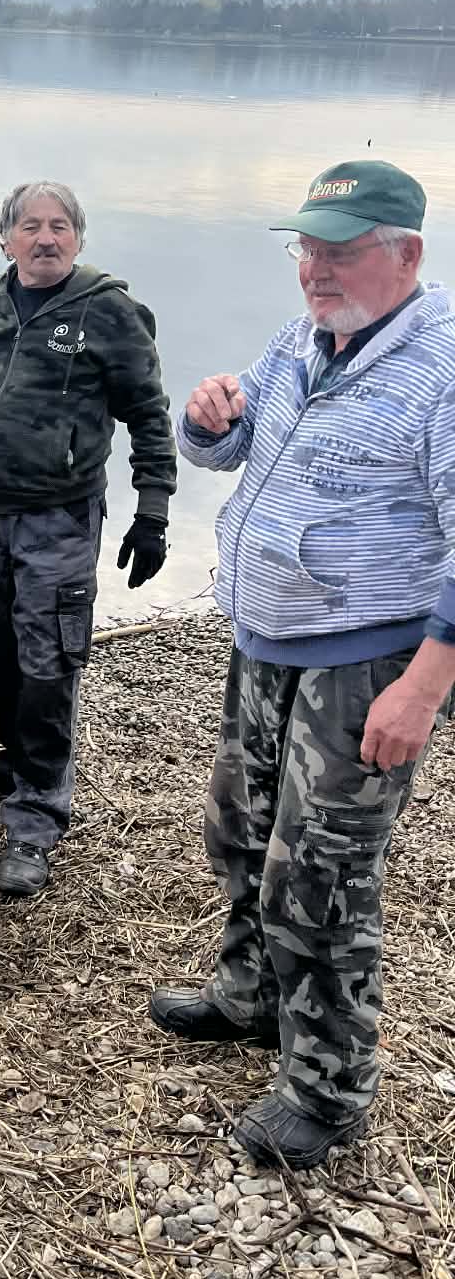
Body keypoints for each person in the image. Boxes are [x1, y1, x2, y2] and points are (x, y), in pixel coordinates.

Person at [150, 159, 455, 1170]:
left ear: (404, 252)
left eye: (341, 248)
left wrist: (423, 683)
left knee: (321, 874)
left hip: (369, 661)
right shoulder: (304, 338)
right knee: (239, 831)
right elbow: (232, 450)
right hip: (265, 639)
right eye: (308, 247)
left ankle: (328, 1087)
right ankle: (251, 998)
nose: (315, 267)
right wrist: (208, 421)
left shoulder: (441, 366)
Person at [0, 182, 176, 898]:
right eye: (30, 227)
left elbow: (149, 414)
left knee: (48, 662)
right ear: (5, 239)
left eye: (59, 227)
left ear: (79, 239)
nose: (45, 239)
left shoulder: (110, 313)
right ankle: (13, 762)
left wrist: (152, 510)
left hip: (58, 517)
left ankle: (36, 818)